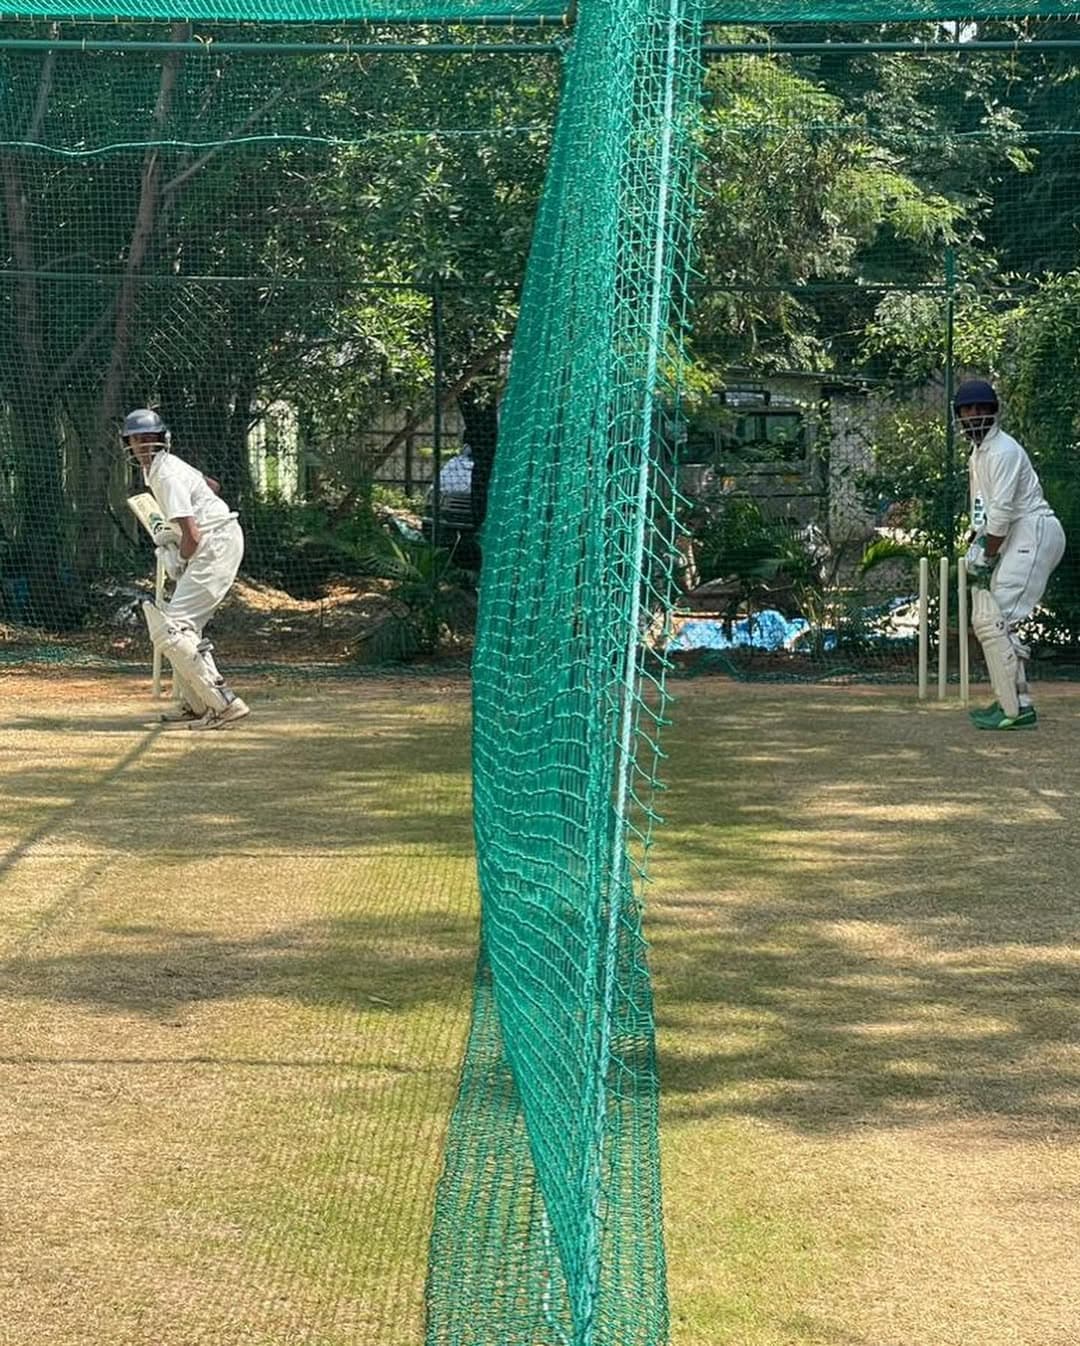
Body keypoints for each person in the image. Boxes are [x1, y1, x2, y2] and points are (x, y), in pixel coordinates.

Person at [122, 408, 250, 730]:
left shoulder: (165, 475)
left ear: (162, 439)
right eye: (137, 439)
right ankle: (197, 704)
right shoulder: (166, 467)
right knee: (178, 629)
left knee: (174, 628)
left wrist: (180, 558)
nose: (144, 445)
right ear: (129, 444)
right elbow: (212, 486)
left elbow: (193, 535)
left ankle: (224, 704)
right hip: (215, 541)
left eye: (149, 438)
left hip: (215, 544)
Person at [956, 379, 1065, 731]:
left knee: (994, 618)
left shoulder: (1003, 450)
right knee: (999, 621)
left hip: (1033, 531)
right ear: (959, 416)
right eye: (967, 410)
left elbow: (1001, 513)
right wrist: (976, 542)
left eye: (980, 408)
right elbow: (983, 510)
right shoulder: (978, 455)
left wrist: (987, 557)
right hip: (1018, 535)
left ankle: (1013, 711)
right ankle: (1016, 702)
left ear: (993, 412)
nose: (974, 415)